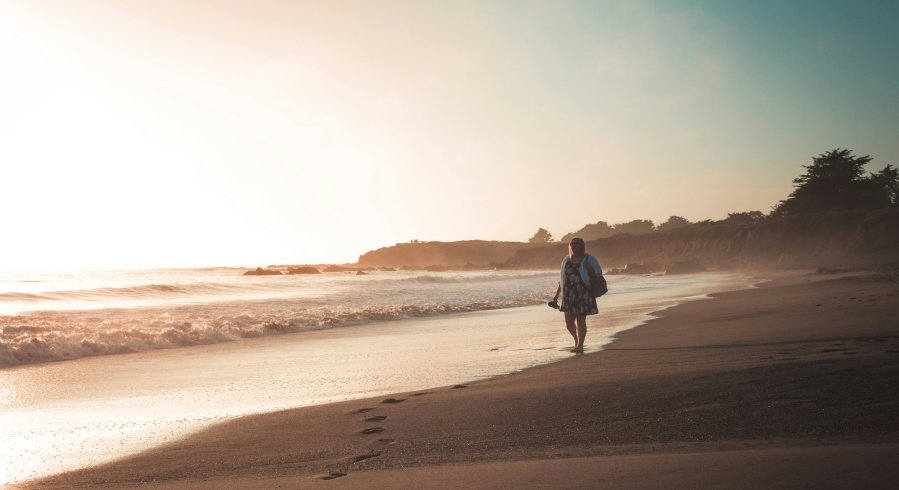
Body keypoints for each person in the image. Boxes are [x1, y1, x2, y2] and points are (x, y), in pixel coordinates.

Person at [550, 237, 601, 354]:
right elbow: (562, 279)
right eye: (572, 244)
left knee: (581, 320)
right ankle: (576, 340)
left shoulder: (588, 258)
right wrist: (557, 296)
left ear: (582, 246)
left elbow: (598, 273)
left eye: (577, 244)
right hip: (568, 295)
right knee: (568, 323)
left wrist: (590, 270)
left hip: (583, 293)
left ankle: (580, 345)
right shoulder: (566, 260)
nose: (574, 246)